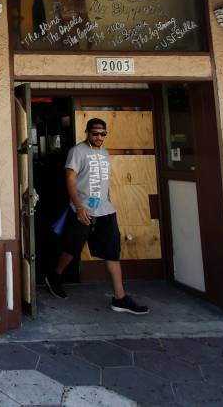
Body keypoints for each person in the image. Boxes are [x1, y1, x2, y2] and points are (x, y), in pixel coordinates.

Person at [44, 118, 150, 315]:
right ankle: (55, 275)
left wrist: (107, 200)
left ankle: (120, 298)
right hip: (82, 210)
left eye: (103, 134)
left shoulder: (104, 152)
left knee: (112, 251)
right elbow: (69, 179)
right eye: (95, 134)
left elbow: (103, 182)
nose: (99, 137)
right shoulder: (77, 151)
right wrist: (78, 206)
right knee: (72, 248)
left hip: (105, 210)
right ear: (86, 132)